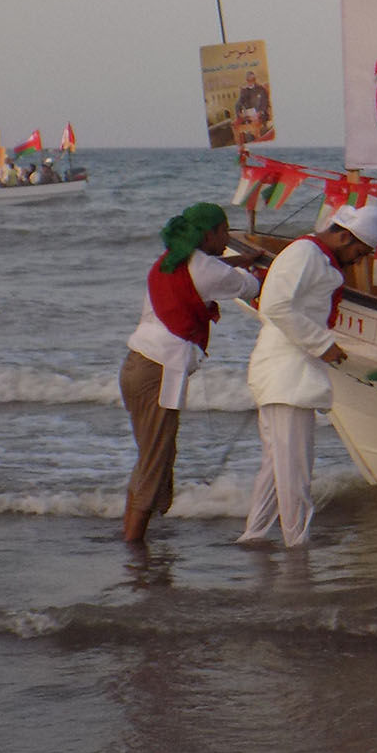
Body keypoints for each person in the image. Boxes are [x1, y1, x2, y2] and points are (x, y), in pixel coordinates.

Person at [238, 202, 377, 548]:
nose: (358, 260)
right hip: (286, 374)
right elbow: (274, 305)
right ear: (344, 237)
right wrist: (323, 345)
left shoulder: (316, 258)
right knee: (295, 469)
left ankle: (255, 535)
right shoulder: (304, 252)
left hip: (287, 373)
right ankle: (296, 543)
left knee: (277, 467)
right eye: (359, 252)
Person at [119, 203, 262, 543]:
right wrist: (252, 267)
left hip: (135, 366)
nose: (227, 238)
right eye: (223, 232)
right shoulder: (209, 271)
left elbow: (208, 270)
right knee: (156, 461)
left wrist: (237, 261)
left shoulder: (171, 259)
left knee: (151, 456)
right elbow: (249, 287)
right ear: (208, 234)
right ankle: (133, 545)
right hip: (160, 371)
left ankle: (132, 534)